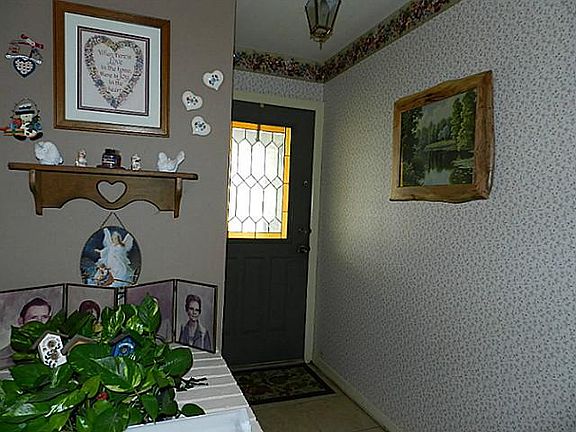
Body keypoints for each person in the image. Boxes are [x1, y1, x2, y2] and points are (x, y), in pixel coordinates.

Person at [0, 297, 53, 368]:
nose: (40, 322)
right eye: (33, 317)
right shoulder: (5, 358)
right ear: (21, 321)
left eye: (44, 317)